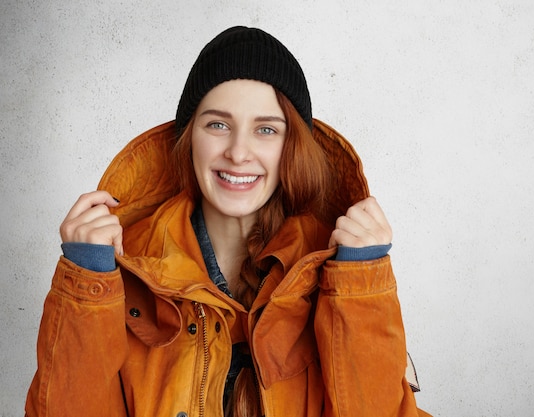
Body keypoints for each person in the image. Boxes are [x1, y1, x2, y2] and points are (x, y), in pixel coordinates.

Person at [26, 26, 431, 417]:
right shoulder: (119, 267)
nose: (239, 152)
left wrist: (362, 285)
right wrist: (85, 283)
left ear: (292, 148)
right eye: (218, 124)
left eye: (266, 129)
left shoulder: (337, 270)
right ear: (188, 139)